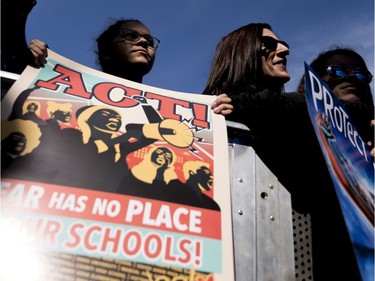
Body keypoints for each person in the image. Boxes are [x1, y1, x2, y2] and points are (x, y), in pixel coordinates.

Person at [203, 22, 373, 280]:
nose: (284, 49)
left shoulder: (298, 117)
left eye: (361, 74)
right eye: (270, 45)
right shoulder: (210, 114)